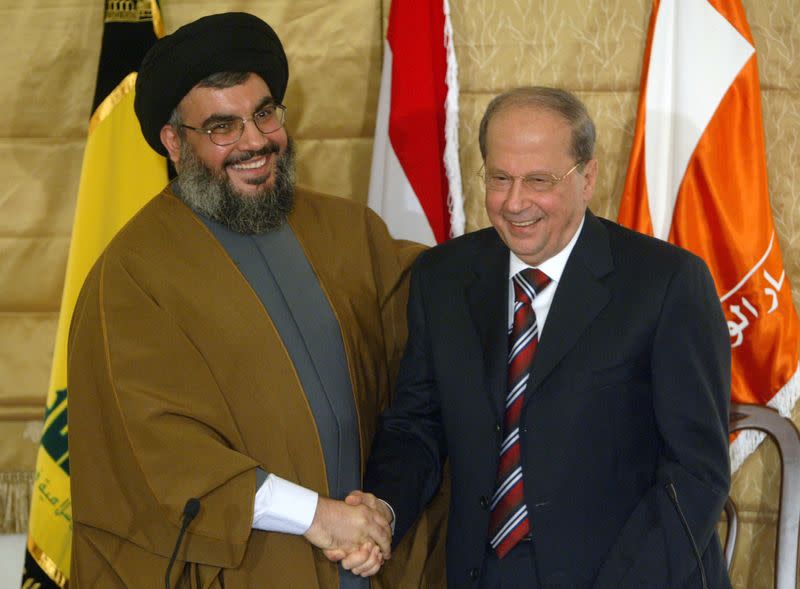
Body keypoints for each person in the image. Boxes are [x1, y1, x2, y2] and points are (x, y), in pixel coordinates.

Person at [67, 12, 445, 589]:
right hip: (250, 569)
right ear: (174, 142)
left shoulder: (347, 230)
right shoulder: (132, 275)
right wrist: (320, 518)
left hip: (371, 557)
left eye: (264, 114)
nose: (254, 142)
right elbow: (160, 456)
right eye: (222, 127)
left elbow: (438, 327)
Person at [361, 87, 732, 588]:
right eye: (500, 178)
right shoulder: (442, 278)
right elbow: (417, 425)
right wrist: (382, 508)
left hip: (625, 572)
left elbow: (696, 472)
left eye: (539, 180)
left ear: (587, 178)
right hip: (482, 570)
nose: (515, 203)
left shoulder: (666, 284)